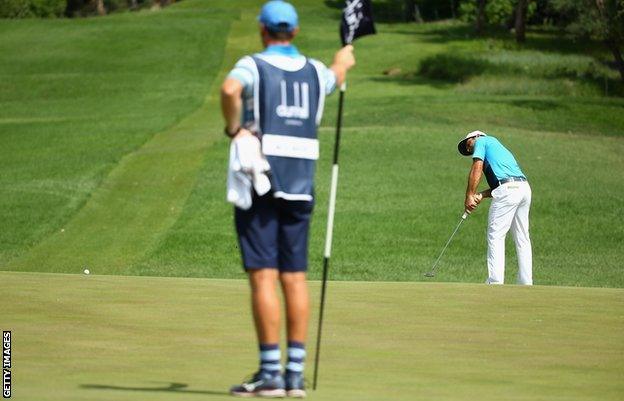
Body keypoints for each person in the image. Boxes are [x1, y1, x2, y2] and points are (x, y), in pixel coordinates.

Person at [220, 1, 355, 397]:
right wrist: (342, 58)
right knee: (294, 277)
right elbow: (336, 75)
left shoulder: (253, 65)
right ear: (294, 33)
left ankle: (270, 374)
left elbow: (230, 89)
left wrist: (234, 128)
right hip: (301, 183)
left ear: (263, 31)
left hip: (260, 180)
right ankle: (295, 375)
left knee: (263, 274)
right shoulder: (315, 70)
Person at [457, 130, 533, 285]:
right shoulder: (498, 149)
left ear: (476, 136)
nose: (469, 149)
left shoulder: (482, 141)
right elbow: (503, 185)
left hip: (509, 190)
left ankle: (495, 281)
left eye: (467, 144)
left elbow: (476, 169)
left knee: (495, 234)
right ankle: (526, 282)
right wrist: (481, 195)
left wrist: (469, 196)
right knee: (522, 237)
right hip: (524, 189)